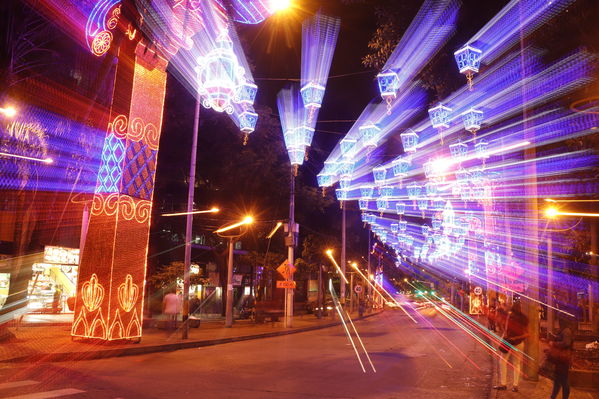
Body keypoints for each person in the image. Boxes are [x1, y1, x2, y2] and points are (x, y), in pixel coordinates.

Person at [494, 301, 529, 392]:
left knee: (502, 361)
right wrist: (517, 337)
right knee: (516, 364)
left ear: (512, 308)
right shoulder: (524, 319)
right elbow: (527, 334)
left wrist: (506, 337)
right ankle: (515, 386)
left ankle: (503, 384)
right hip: (519, 343)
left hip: (508, 342)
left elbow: (505, 330)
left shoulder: (510, 316)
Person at [547, 315, 573, 399]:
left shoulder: (566, 331)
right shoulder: (564, 330)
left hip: (563, 359)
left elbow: (566, 343)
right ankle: (553, 396)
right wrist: (555, 337)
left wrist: (554, 343)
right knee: (558, 379)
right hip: (560, 359)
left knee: (563, 380)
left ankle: (562, 397)